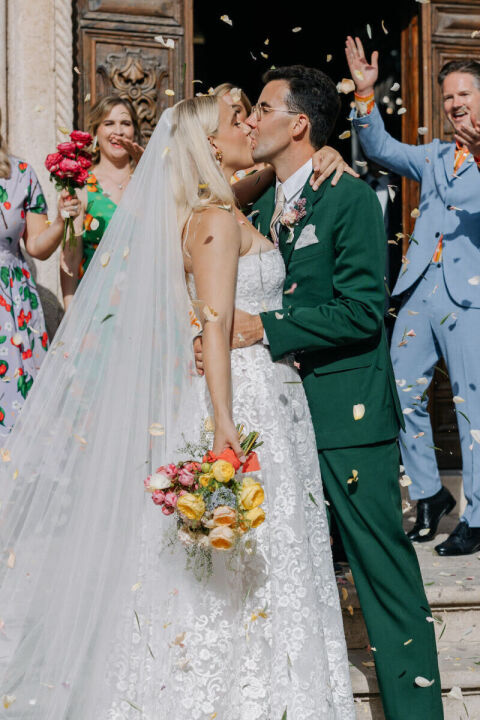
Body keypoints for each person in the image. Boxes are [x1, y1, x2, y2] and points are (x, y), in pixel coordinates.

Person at [0, 94, 355, 717]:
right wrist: (224, 425)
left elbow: (279, 171)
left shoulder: (230, 204)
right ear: (211, 146)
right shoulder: (216, 221)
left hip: (270, 401)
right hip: (240, 400)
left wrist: (325, 150)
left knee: (270, 561)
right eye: (237, 120)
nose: (249, 124)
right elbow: (212, 329)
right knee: (231, 568)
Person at [221, 65, 443, 720]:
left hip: (347, 417)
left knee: (383, 575)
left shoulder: (347, 198)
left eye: (263, 107)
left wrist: (269, 325)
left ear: (300, 124)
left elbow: (363, 310)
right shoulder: (261, 204)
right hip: (281, 420)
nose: (251, 119)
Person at [346, 36, 480, 557]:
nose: (454, 104)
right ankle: (429, 494)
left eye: (464, 93)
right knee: (400, 392)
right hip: (420, 290)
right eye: (447, 96)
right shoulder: (435, 155)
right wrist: (364, 96)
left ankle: (477, 513)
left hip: (470, 298)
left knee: (472, 406)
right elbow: (379, 149)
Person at [0, 108, 80, 434]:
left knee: (18, 414)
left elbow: (37, 247)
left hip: (12, 307)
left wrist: (61, 220)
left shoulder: (20, 174)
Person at [60, 95, 143, 308]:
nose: (119, 131)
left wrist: (150, 175)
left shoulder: (148, 183)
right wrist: (70, 312)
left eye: (125, 123)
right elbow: (71, 255)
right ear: (96, 131)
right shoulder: (84, 186)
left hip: (143, 302)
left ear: (135, 131)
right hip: (97, 305)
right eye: (109, 124)